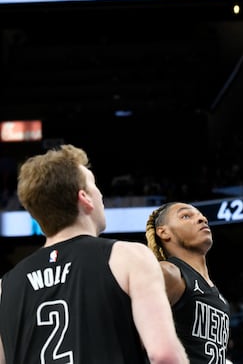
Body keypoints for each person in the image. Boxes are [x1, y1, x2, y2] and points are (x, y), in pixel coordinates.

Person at [0, 144, 188, 364]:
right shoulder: (129, 257)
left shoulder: (5, 287)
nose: (100, 194)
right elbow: (164, 355)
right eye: (94, 185)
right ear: (85, 198)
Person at [146, 201, 230, 363]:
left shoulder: (214, 292)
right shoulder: (168, 273)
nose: (202, 219)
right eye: (186, 216)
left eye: (201, 215)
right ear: (163, 232)